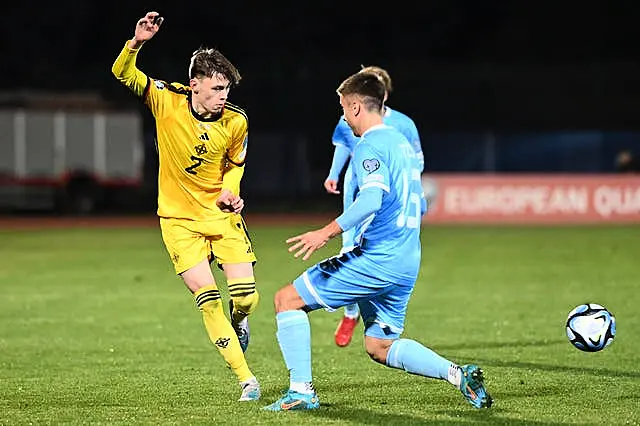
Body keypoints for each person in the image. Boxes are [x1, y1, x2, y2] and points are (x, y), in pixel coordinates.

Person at [264, 71, 492, 411]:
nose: (343, 116)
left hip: (378, 259)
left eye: (343, 108)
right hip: (406, 260)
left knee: (287, 300)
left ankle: (300, 393)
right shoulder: (401, 142)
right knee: (379, 346)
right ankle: (458, 375)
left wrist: (324, 233)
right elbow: (421, 202)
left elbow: (370, 199)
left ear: (356, 106)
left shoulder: (370, 144)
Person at [112, 11, 260, 401]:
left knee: (245, 296)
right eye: (216, 89)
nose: (223, 96)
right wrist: (137, 43)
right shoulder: (167, 100)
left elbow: (236, 165)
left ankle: (240, 321)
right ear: (194, 85)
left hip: (221, 214)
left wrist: (231, 191)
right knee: (208, 300)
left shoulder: (236, 121)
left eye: (226, 88)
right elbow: (123, 74)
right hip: (178, 221)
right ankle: (247, 379)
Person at [324, 66, 424, 347]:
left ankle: (370, 317)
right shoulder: (350, 119)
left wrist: (411, 191)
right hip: (358, 192)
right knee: (349, 250)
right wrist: (334, 173)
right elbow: (343, 144)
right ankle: (351, 311)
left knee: (369, 256)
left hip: (386, 199)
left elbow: (416, 161)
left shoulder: (403, 124)